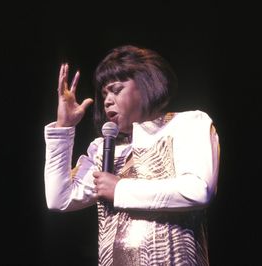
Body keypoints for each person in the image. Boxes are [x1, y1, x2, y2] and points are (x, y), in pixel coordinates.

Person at [44, 45, 220, 265]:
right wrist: (63, 129)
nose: (107, 100)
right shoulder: (103, 148)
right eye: (104, 93)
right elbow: (59, 199)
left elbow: (198, 190)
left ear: (147, 86)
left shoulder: (186, 124)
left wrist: (120, 189)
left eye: (116, 90)